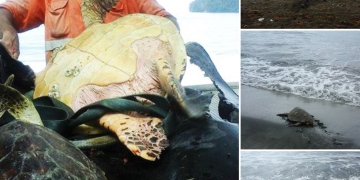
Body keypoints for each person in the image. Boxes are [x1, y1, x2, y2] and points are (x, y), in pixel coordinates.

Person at [0, 0, 179, 62]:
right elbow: (7, 12)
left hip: (118, 91)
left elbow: (167, 22)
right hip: (61, 94)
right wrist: (7, 29)